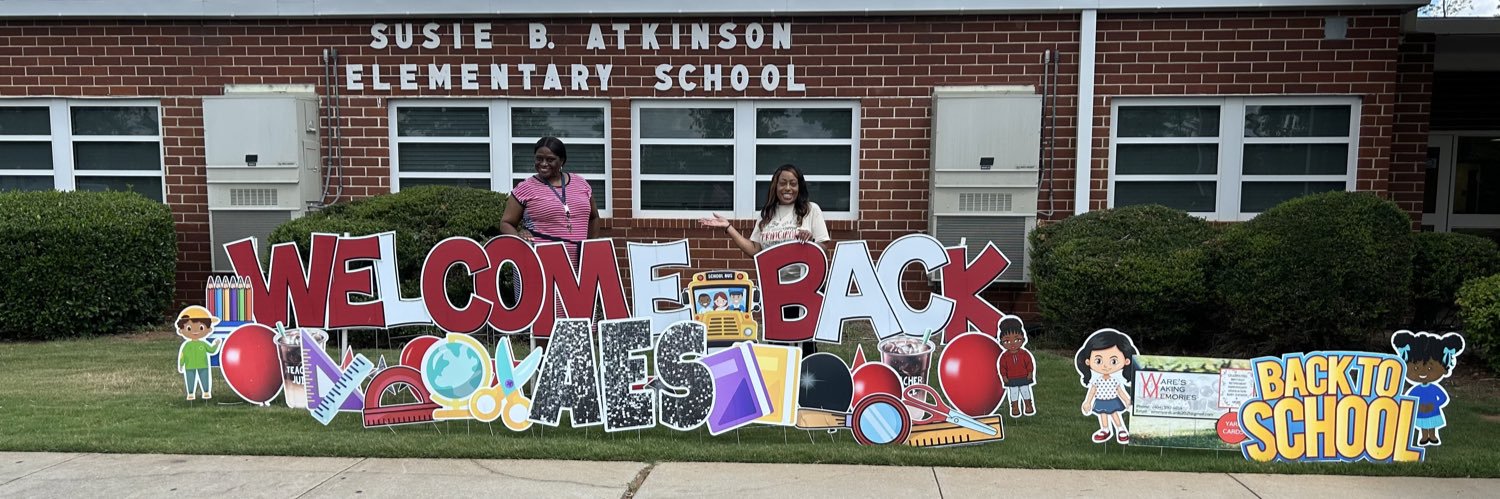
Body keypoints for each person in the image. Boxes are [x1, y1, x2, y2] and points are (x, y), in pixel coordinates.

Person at [699, 164, 831, 351]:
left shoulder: (810, 210)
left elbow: (823, 246)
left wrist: (810, 243)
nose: (787, 188)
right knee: (778, 342)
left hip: (803, 288)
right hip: (774, 290)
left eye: (793, 183)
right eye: (783, 183)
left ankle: (806, 377)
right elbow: (755, 249)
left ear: (799, 186)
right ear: (775, 186)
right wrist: (728, 228)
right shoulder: (766, 215)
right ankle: (780, 378)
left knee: (805, 340)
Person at [500, 137, 599, 341]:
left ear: (562, 160)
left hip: (577, 265)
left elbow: (594, 217)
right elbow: (506, 222)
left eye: (550, 159)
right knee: (545, 326)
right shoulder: (525, 188)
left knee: (580, 324)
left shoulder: (581, 184)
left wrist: (591, 249)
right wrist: (518, 236)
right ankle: (545, 368)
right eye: (539, 159)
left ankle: (576, 371)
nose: (543, 164)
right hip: (542, 266)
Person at [1392, 330, 1465, 446]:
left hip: (1433, 411)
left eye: (1430, 369)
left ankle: (1433, 435)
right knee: (1423, 426)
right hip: (1420, 412)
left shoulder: (1434, 388)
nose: (1422, 373)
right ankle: (1424, 437)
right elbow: (1409, 401)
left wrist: (1434, 405)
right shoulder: (1415, 390)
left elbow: (1443, 398)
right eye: (1416, 368)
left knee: (1432, 424)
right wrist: (1417, 406)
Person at [1075, 328, 1138, 444]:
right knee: (1103, 414)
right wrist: (1087, 402)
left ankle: (1120, 429)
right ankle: (1105, 429)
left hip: (1113, 400)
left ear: (1126, 361)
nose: (1105, 366)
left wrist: (1127, 400)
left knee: (1114, 414)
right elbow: (1092, 391)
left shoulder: (1115, 380)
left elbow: (1120, 391)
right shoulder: (1097, 381)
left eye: (1113, 361)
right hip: (1100, 400)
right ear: (1088, 361)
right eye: (1098, 361)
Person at [175, 305, 222, 401]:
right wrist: (181, 364)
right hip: (189, 366)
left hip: (203, 365)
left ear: (209, 329)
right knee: (190, 379)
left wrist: (216, 344)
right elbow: (183, 355)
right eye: (189, 328)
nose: (195, 331)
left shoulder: (203, 344)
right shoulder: (187, 346)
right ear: (181, 330)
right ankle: (191, 393)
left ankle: (206, 392)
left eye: (201, 328)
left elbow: (211, 350)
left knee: (204, 378)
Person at [997, 315, 1037, 418]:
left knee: (1025, 391)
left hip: (1024, 377)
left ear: (1023, 339)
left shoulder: (1024, 354)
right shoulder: (1004, 356)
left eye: (1017, 339)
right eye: (1007, 341)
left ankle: (1028, 406)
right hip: (1011, 379)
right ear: (1001, 342)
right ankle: (1015, 407)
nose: (1012, 344)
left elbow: (1029, 364)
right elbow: (1002, 368)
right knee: (1013, 393)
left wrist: (1030, 373)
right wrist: (1004, 377)